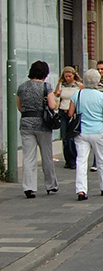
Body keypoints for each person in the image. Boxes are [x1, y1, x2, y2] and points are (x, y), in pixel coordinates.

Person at [68, 69, 103, 200]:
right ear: (97, 82)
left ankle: (81, 189)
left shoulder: (77, 94)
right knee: (101, 159)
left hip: (81, 131)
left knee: (81, 160)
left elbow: (70, 113)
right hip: (98, 131)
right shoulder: (102, 97)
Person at [16, 61, 59, 198]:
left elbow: (20, 107)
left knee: (28, 157)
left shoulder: (22, 87)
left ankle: (29, 187)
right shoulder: (46, 86)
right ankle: (50, 184)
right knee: (46, 156)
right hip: (43, 125)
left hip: (26, 124)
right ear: (45, 73)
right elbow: (52, 105)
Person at [54, 65, 83, 169]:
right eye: (66, 76)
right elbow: (55, 96)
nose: (67, 78)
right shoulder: (61, 84)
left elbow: (81, 97)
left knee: (72, 137)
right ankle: (67, 159)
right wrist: (57, 94)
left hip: (73, 112)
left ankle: (74, 159)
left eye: (69, 76)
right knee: (64, 137)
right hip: (63, 111)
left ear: (74, 75)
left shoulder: (78, 85)